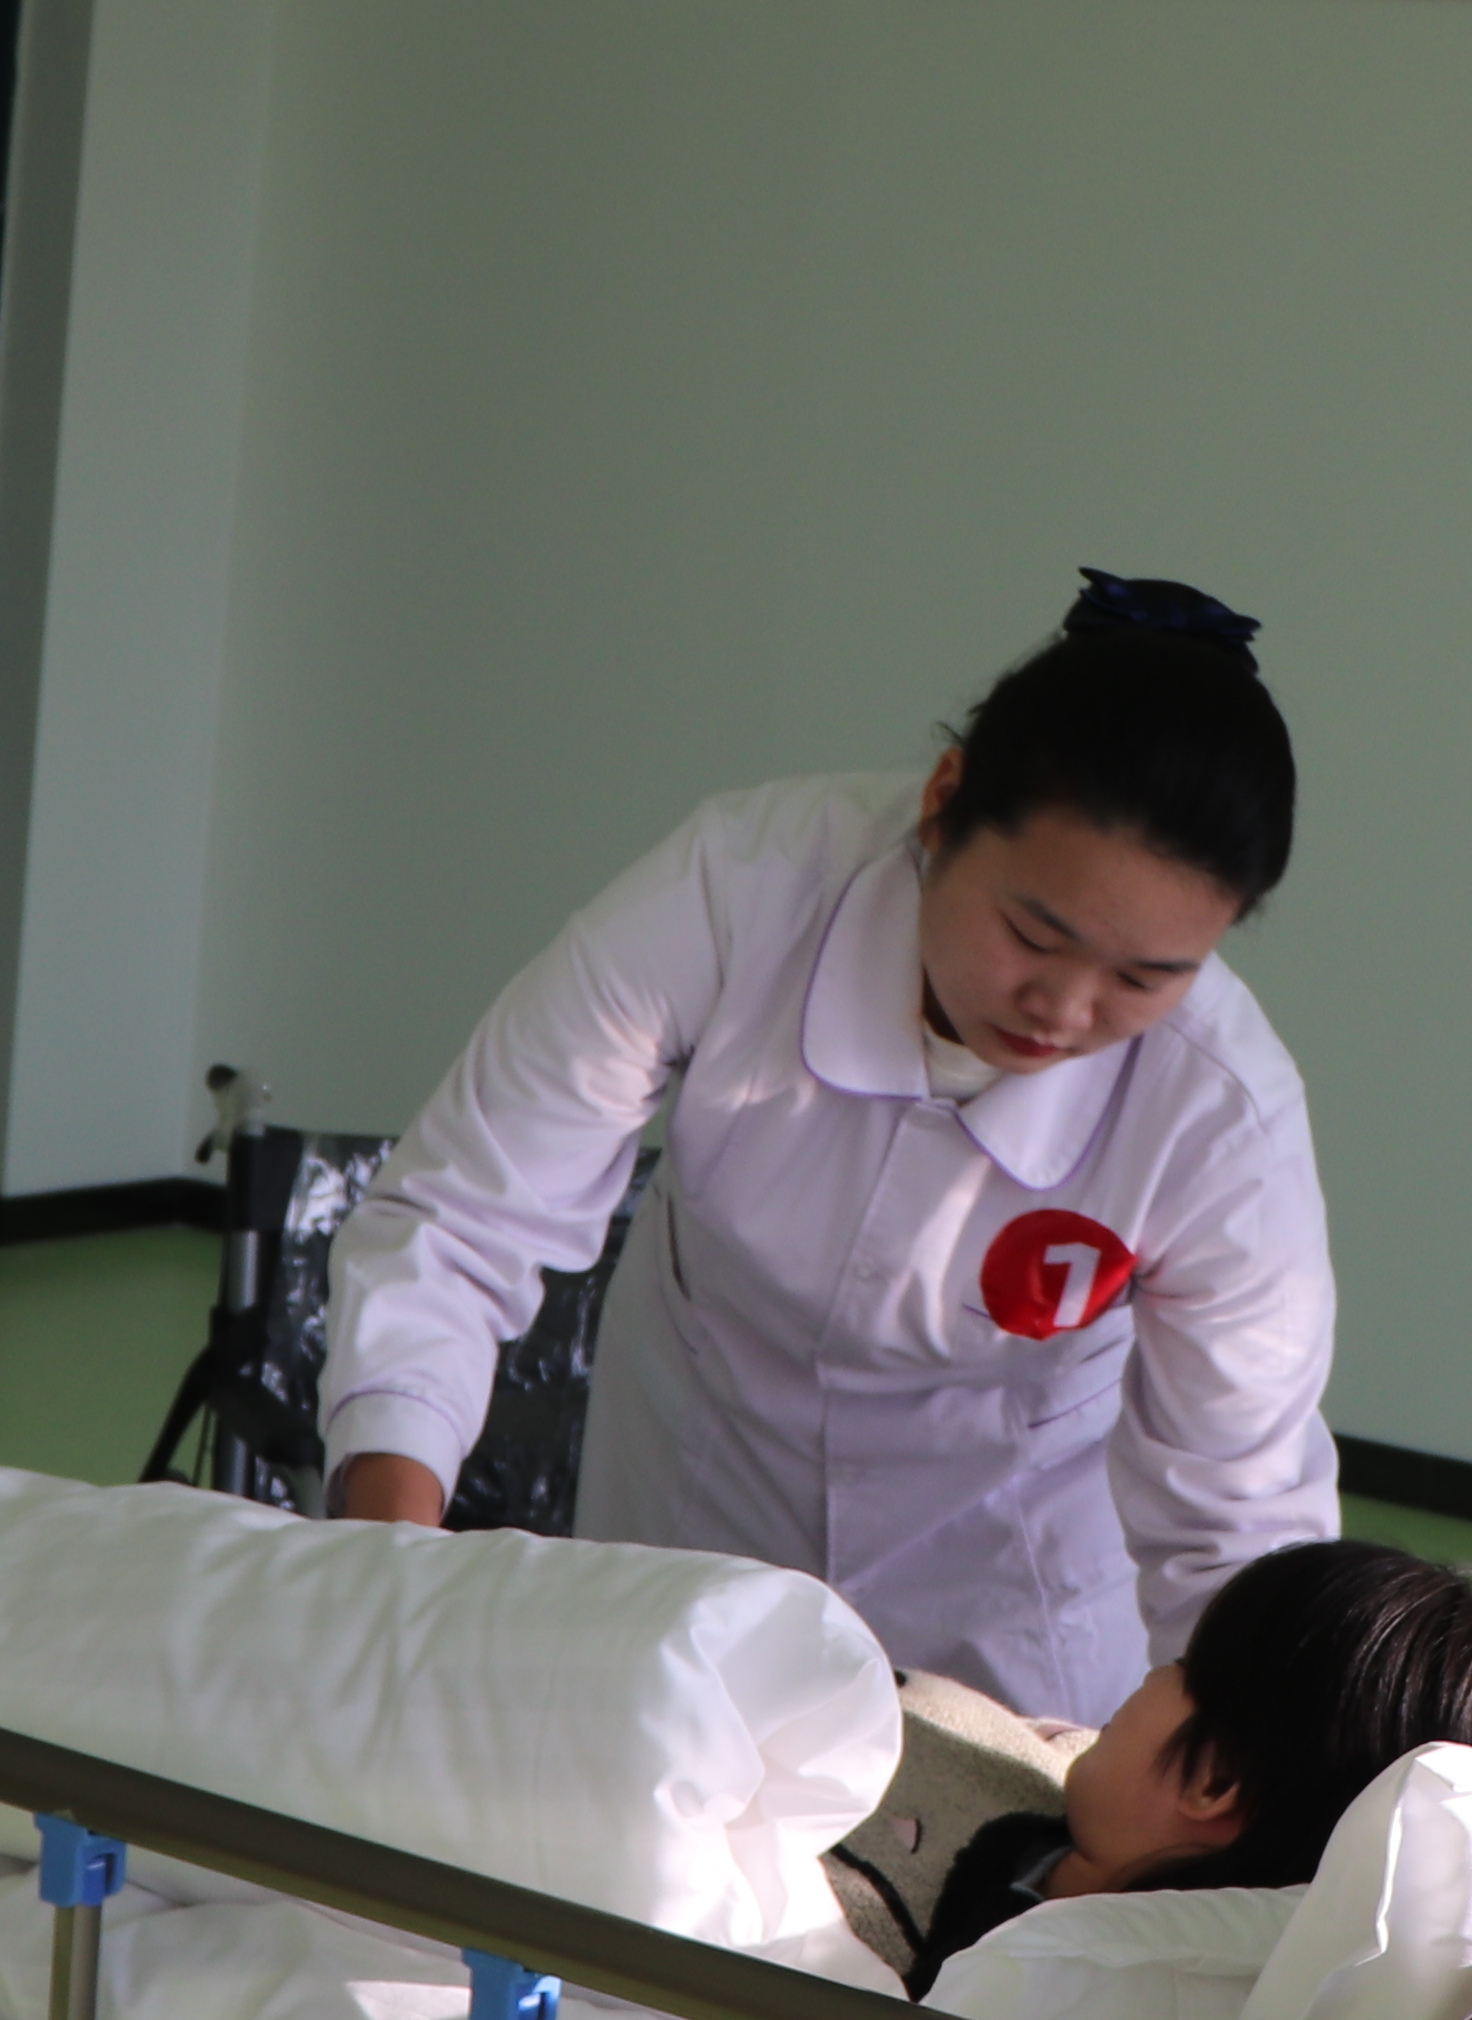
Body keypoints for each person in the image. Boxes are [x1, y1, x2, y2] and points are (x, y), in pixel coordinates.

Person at [316, 573, 1337, 1721]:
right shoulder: (738, 895)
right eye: (1031, 933)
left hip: (1012, 1578)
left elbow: (1241, 1511)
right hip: (700, 1494)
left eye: (1144, 979)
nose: (1064, 1008)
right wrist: (385, 1573)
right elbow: (462, 1224)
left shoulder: (1219, 1113)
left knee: (990, 1823)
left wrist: (1247, 1758)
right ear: (943, 804)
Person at [852, 1537, 1472, 1988]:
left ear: (1213, 1780)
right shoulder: (1035, 1831)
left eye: (1181, 1667)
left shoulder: (1035, 1976)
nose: (1150, 1676)